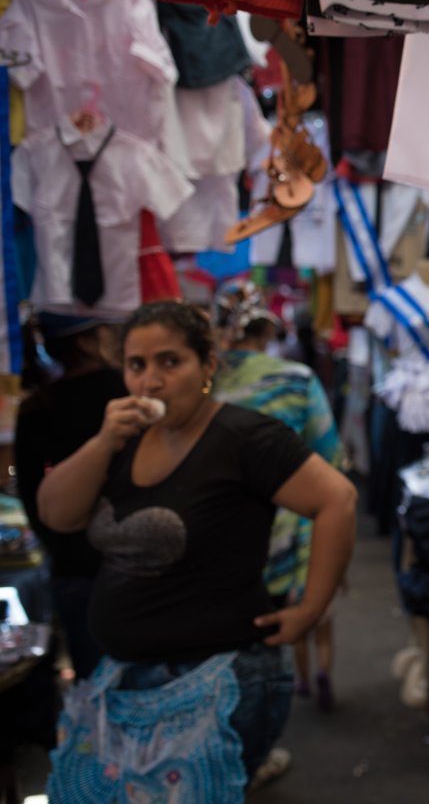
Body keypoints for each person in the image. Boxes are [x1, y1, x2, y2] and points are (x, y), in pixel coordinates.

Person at [36, 301, 357, 801]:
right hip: (124, 679)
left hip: (216, 683)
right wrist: (102, 441)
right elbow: (58, 514)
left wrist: (310, 609)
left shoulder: (243, 436)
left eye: (170, 362)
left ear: (208, 365)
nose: (151, 381)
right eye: (137, 365)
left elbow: (337, 498)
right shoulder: (124, 439)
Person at [212, 280, 346, 712]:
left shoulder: (200, 386)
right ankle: (302, 685)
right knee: (299, 620)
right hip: (294, 526)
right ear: (267, 331)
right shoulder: (297, 379)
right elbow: (331, 462)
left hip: (218, 536)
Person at [14, 312, 127, 680]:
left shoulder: (37, 406)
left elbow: (32, 500)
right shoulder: (124, 394)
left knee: (94, 690)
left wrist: (60, 546)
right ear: (86, 340)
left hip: (73, 570)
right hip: (134, 564)